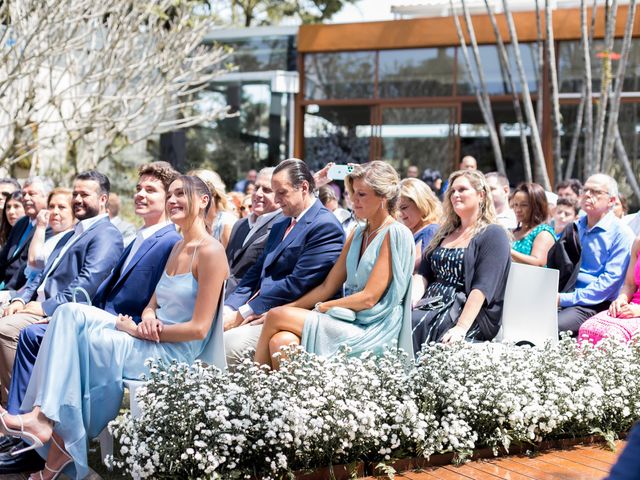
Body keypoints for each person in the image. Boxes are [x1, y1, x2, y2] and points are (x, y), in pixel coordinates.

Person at [0, 175, 227, 480]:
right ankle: (43, 419)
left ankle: (55, 444)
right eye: (170, 194)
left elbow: (199, 329)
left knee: (86, 344)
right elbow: (152, 303)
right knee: (68, 314)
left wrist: (138, 331)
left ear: (203, 200)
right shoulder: (178, 247)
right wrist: (146, 317)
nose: (173, 200)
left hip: (173, 353)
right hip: (149, 336)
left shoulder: (210, 251)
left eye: (181, 194)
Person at [254, 161, 415, 368]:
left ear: (383, 197)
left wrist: (322, 308)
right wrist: (289, 308)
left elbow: (369, 299)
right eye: (353, 192)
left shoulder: (395, 233)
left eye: (362, 194)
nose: (353, 199)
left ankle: (252, 387)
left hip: (373, 327)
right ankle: (285, 399)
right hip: (348, 319)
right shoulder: (358, 233)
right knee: (282, 341)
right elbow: (326, 287)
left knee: (276, 315)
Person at [0, 171, 124, 404]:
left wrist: (43, 308)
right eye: (75, 193)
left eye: (84, 194)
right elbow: (40, 275)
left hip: (63, 312)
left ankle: (26, 411)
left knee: (5, 329)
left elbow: (86, 285)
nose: (77, 199)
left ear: (103, 200)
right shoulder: (74, 233)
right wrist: (21, 300)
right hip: (35, 304)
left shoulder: (106, 235)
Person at [223, 159, 345, 365]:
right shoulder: (282, 223)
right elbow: (256, 273)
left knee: (226, 346)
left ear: (304, 187)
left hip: (294, 314)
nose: (277, 200)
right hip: (261, 311)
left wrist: (245, 312)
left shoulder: (325, 226)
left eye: (282, 193)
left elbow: (296, 284)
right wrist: (229, 309)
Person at [411, 170, 511, 353]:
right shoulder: (444, 233)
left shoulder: (493, 234)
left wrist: (461, 327)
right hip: (431, 302)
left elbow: (482, 288)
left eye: (462, 189)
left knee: (415, 323)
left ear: (481, 195)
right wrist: (414, 298)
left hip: (468, 312)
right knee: (400, 320)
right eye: (452, 191)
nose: (455, 195)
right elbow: (423, 273)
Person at [557, 174, 635, 335]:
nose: (587, 194)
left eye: (595, 191)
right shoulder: (574, 228)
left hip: (594, 304)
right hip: (564, 293)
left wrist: (563, 299)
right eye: (585, 190)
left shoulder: (622, 234)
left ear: (611, 201)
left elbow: (609, 283)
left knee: (551, 325)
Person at [225, 167, 283, 296]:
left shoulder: (284, 226)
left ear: (280, 194)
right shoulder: (240, 224)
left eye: (267, 190)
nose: (258, 193)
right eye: (256, 188)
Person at [578, 236, 640, 345]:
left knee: (615, 336)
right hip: (631, 306)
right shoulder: (638, 242)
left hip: (637, 311)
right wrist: (621, 299)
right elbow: (630, 285)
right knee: (589, 328)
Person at [0, 177, 54, 292]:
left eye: (31, 194)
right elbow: (3, 258)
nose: (26, 198)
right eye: (24, 194)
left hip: (21, 290)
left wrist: (6, 291)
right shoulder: (21, 222)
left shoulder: (50, 227)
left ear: (47, 197)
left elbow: (29, 267)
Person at [398, 178, 441, 270]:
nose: (399, 214)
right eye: (397, 209)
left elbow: (416, 267)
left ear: (421, 204)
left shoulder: (431, 230)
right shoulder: (408, 231)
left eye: (404, 207)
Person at [510, 182, 556, 267]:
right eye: (515, 205)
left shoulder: (544, 233)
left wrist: (508, 251)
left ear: (537, 206)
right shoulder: (513, 232)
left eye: (524, 205)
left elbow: (538, 263)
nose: (518, 209)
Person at [189, 169, 236, 248]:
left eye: (195, 191)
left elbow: (228, 259)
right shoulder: (201, 222)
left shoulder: (226, 222)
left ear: (212, 192)